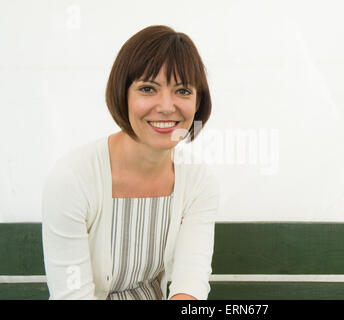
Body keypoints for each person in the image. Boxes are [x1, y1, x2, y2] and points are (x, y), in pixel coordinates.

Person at [41, 25, 220, 300]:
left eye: (183, 91)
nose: (166, 106)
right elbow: (71, 295)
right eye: (148, 89)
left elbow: (190, 283)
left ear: (198, 103)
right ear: (122, 94)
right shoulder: (73, 178)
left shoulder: (198, 180)